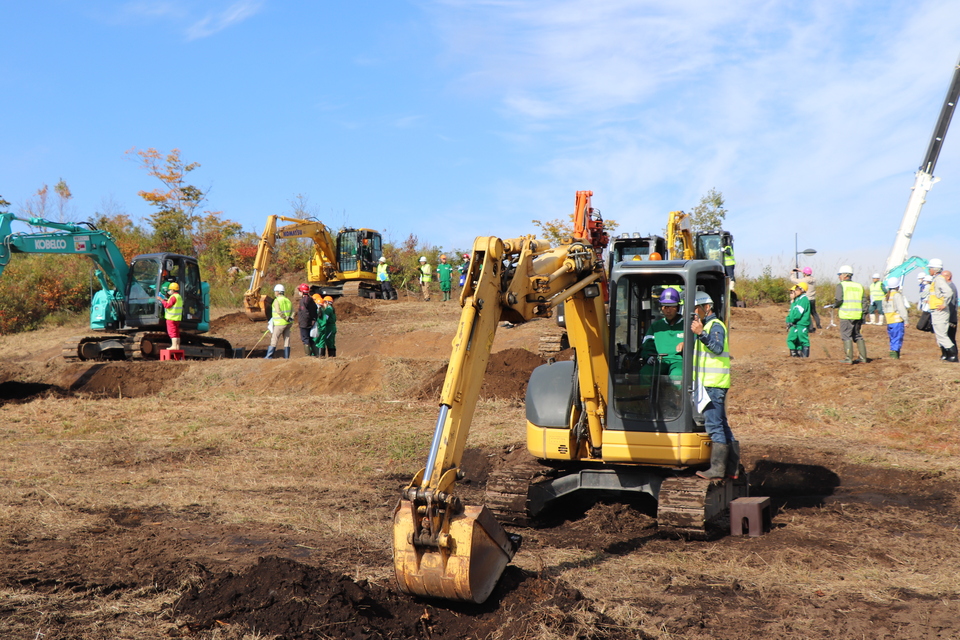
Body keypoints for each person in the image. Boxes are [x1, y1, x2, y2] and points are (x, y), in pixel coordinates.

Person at [691, 291, 738, 480]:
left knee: (714, 426)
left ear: (706, 307)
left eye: (696, 309)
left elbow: (717, 348)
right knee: (722, 425)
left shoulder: (714, 326)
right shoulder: (709, 326)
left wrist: (700, 333)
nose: (694, 314)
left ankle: (718, 469)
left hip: (713, 385)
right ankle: (732, 469)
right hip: (710, 384)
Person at [639, 287, 685, 382]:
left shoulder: (687, 325)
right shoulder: (656, 326)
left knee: (677, 376)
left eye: (672, 306)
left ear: (678, 307)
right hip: (659, 361)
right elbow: (647, 344)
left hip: (679, 361)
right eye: (665, 307)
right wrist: (648, 357)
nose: (668, 310)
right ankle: (646, 396)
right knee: (645, 373)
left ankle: (676, 396)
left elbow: (695, 343)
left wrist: (686, 344)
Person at [834, 265, 868, 364]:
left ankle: (848, 359)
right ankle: (863, 358)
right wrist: (863, 315)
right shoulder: (859, 286)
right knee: (857, 335)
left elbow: (839, 300)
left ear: (844, 276)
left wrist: (835, 305)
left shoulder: (841, 285)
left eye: (839, 275)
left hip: (846, 314)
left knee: (846, 336)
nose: (839, 277)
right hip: (858, 315)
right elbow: (864, 302)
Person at [927, 258, 957, 362]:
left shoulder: (939, 279)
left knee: (941, 334)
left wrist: (944, 304)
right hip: (936, 310)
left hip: (940, 311)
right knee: (939, 334)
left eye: (930, 268)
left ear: (935, 269)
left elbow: (948, 292)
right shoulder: (936, 279)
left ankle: (953, 355)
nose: (929, 270)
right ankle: (946, 355)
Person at [882, 276, 908, 359]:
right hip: (897, 321)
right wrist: (906, 320)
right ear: (897, 286)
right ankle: (894, 356)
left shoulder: (886, 296)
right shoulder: (897, 295)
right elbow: (901, 308)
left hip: (889, 321)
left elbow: (884, 309)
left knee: (892, 338)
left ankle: (893, 354)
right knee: (897, 338)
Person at [265, 283, 292, 359]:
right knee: (287, 340)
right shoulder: (288, 300)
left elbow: (278, 311)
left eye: (275, 291)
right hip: (288, 323)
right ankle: (287, 357)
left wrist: (284, 317)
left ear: (278, 292)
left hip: (280, 323)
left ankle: (269, 356)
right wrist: (290, 318)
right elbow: (293, 311)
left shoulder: (277, 301)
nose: (274, 293)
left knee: (274, 339)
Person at [790, 266, 821, 330]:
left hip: (807, 299)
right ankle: (819, 325)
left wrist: (792, 274)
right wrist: (801, 271)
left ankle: (810, 328)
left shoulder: (804, 280)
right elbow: (807, 275)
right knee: (814, 312)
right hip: (813, 299)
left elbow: (794, 280)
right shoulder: (814, 279)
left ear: (805, 274)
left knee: (807, 313)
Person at [786, 282, 811, 357]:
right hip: (797, 324)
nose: (795, 291)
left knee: (803, 340)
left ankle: (804, 357)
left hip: (801, 324)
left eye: (797, 289)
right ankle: (797, 355)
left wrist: (791, 321)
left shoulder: (803, 300)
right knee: (796, 340)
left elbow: (797, 314)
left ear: (802, 290)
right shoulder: (798, 300)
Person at [157, 281, 182, 352]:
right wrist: (166, 300)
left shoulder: (173, 297)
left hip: (171, 318)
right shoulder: (178, 296)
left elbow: (167, 305)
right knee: (176, 332)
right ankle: (177, 346)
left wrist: (161, 300)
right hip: (177, 318)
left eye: (169, 290)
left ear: (172, 290)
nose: (169, 291)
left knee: (172, 332)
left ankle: (174, 346)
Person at [296, 283, 318, 356]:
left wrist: (306, 321)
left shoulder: (303, 301)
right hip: (311, 323)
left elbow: (305, 312)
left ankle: (307, 356)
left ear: (302, 292)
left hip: (304, 323)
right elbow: (315, 310)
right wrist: (313, 320)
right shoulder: (311, 299)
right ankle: (317, 355)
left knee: (305, 340)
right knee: (311, 340)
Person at [943, 270, 958, 350]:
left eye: (943, 276)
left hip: (950, 318)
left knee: (950, 338)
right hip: (950, 316)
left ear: (948, 277)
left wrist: (947, 318)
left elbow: (951, 304)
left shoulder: (950, 287)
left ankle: (952, 355)